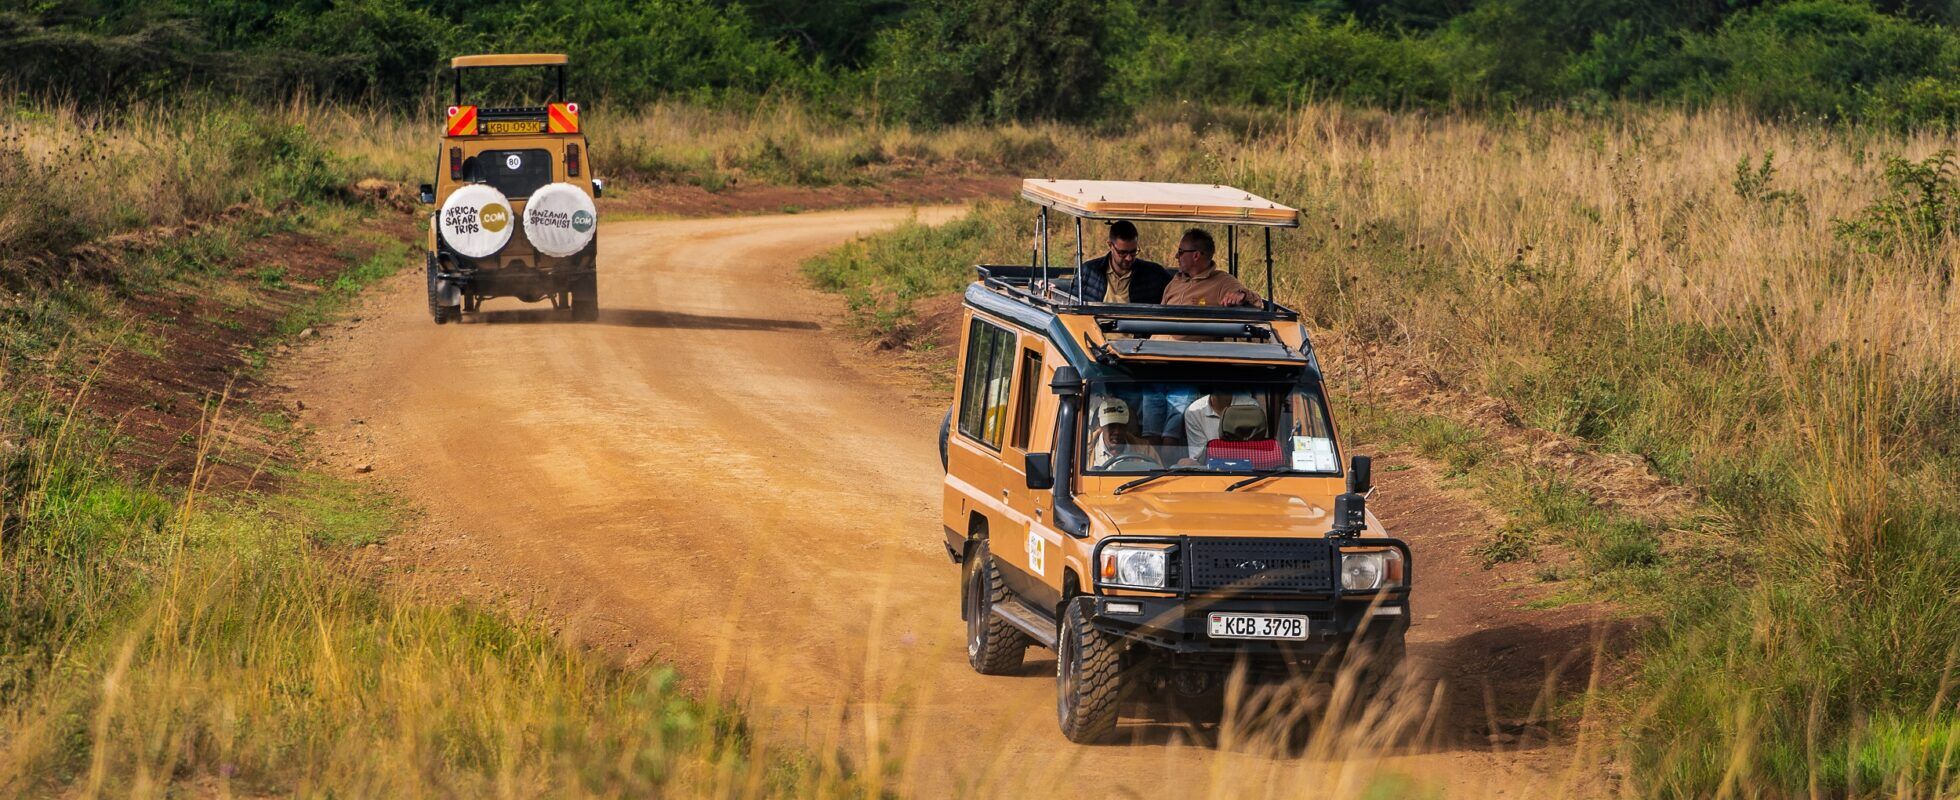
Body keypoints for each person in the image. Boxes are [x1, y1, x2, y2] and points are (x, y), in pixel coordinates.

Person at [1162, 228, 1261, 308]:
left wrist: (1242, 295)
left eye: (1180, 252)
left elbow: (1257, 303)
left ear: (1196, 255)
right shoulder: (1176, 281)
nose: (1176, 256)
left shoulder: (1223, 281)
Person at [1076, 220, 1171, 304]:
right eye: (1122, 253)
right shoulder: (1088, 272)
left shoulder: (1154, 274)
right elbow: (1071, 305)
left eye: (1133, 251)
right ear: (1110, 245)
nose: (1129, 258)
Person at [1181, 391, 1264, 462]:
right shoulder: (1194, 411)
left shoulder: (1250, 406)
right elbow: (1199, 459)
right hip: (1209, 474)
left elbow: (1253, 453)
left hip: (1245, 471)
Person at [1086, 397, 1160, 469]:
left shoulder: (1145, 450)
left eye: (1121, 426)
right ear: (1100, 425)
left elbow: (1160, 476)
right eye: (1111, 426)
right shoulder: (1085, 450)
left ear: (1127, 425)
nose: (1117, 431)